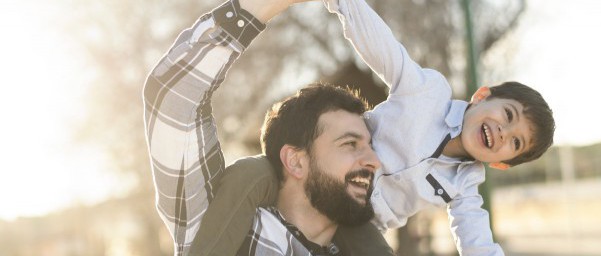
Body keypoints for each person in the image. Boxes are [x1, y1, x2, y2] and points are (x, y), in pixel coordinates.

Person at [183, 0, 556, 255]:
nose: (504, 133)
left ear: (504, 162)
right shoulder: (428, 93)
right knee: (250, 172)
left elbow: (477, 242)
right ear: (483, 95)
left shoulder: (464, 188)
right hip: (321, 173)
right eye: (507, 115)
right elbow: (383, 49)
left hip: (357, 216)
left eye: (515, 142)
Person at [143, 0, 394, 255]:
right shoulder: (222, 223)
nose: (374, 160)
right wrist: (258, 7)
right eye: (350, 144)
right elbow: (173, 96)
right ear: (296, 162)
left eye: (369, 146)